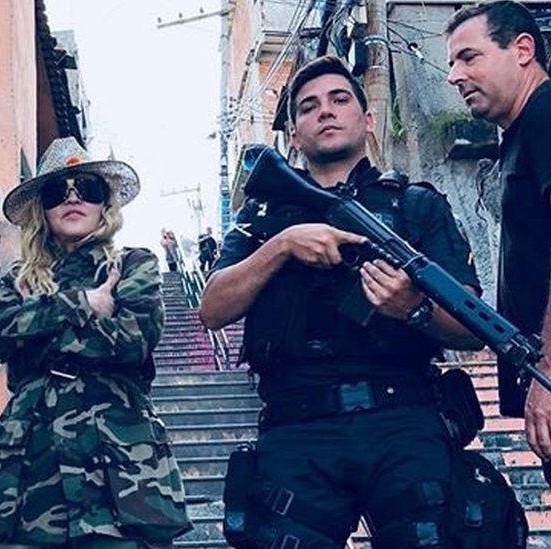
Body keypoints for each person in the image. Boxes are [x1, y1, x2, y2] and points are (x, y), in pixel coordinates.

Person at [199, 56, 495, 546]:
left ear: (368, 118)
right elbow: (213, 307)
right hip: (298, 425)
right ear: (294, 135)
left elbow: (471, 325)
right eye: (309, 107)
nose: (326, 112)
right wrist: (282, 244)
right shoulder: (264, 214)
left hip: (402, 417)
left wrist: (413, 307)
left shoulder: (417, 205)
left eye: (340, 100)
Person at [0, 137, 192, 548]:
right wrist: (81, 304)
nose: (72, 199)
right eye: (57, 192)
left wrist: (33, 333)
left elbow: (132, 341)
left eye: (86, 189)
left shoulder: (132, 265)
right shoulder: (19, 278)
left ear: (104, 204)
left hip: (120, 474)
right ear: (42, 208)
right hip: (31, 474)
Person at [445, 0, 551, 462]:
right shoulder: (522, 134)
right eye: (451, 63)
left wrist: (548, 371)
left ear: (522, 49)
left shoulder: (546, 115)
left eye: (469, 57)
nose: (454, 76)